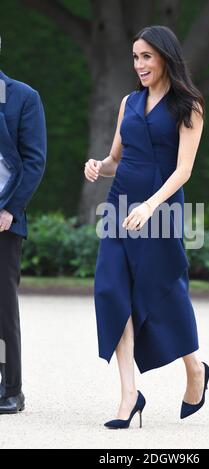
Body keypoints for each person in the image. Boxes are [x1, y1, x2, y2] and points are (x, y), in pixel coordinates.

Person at [84, 25, 209, 429]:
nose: (138, 64)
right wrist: (98, 166)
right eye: (135, 57)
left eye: (146, 57)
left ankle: (195, 370)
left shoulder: (188, 105)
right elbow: (117, 159)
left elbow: (184, 169)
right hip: (119, 207)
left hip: (161, 209)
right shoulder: (128, 103)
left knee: (165, 290)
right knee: (110, 289)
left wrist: (152, 206)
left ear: (165, 58)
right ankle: (128, 396)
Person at [0, 36, 47, 413]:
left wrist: (10, 209)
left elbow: (33, 161)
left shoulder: (23, 97)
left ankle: (10, 388)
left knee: (1, 308)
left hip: (2, 219)